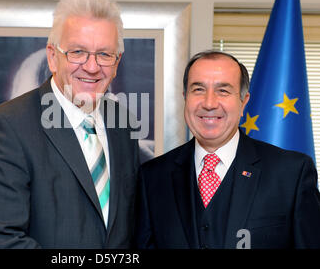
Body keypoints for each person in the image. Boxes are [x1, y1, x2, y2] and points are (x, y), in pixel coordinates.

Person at [0, 0, 140, 249]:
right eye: (78, 52)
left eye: (105, 54)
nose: (92, 67)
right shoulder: (8, 126)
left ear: (117, 63)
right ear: (52, 57)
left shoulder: (123, 122)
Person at [135, 50, 320, 249]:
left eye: (223, 91)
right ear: (185, 97)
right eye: (198, 90)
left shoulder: (291, 174)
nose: (209, 103)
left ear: (243, 102)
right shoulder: (153, 177)